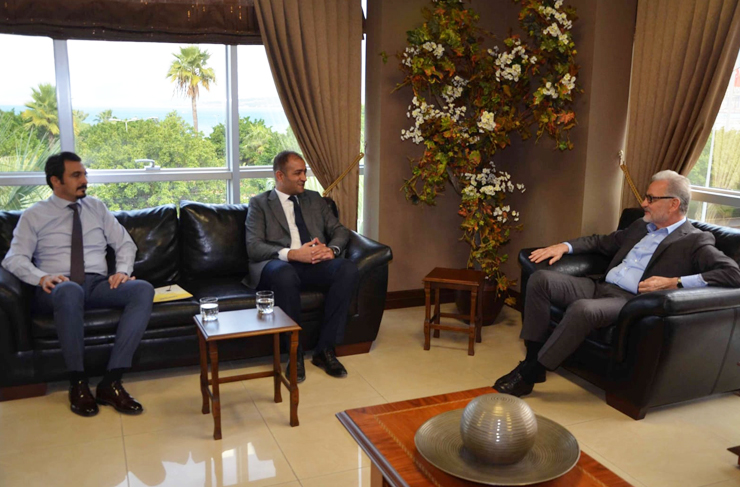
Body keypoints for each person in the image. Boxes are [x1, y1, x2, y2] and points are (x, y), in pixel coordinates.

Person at [494, 170, 740, 397]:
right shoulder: (641, 226)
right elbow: (601, 242)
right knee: (540, 279)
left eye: (651, 198)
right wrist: (564, 246)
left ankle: (529, 374)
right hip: (599, 286)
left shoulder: (695, 240)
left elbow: (732, 273)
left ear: (673, 203)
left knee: (583, 309)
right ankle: (533, 360)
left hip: (628, 301)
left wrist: (676, 282)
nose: (644, 203)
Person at [2, 152, 154, 417]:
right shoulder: (34, 215)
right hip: (57, 287)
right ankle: (78, 382)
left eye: (84, 174)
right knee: (70, 290)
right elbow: (14, 258)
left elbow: (124, 243)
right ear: (55, 181)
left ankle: (111, 381)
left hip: (97, 285)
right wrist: (41, 277)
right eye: (76, 175)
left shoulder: (96, 207)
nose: (84, 180)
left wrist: (121, 271)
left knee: (142, 289)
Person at [243, 150, 359, 383]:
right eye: (297, 173)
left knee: (346, 269)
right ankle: (294, 354)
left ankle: (324, 350)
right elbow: (253, 246)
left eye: (304, 172)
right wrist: (293, 254)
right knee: (285, 274)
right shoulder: (260, 203)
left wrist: (331, 250)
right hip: (278, 264)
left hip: (314, 264)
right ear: (280, 176)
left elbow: (340, 231)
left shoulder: (314, 199)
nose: (304, 178)